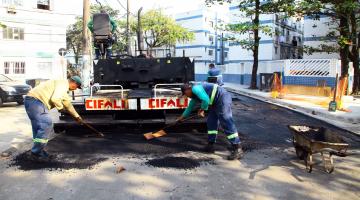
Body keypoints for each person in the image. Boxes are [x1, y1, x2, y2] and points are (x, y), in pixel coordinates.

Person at [177, 83, 243, 160]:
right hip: (214, 103)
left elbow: (205, 99)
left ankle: (237, 147)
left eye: (185, 93)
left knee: (225, 120)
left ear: (188, 90)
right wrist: (181, 118)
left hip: (222, 97)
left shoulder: (195, 89)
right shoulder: (194, 97)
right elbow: (189, 108)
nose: (186, 96)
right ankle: (210, 145)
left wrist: (202, 110)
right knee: (211, 122)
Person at [24, 76, 83, 161]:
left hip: (32, 101)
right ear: (73, 82)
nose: (76, 89)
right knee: (46, 124)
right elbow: (55, 99)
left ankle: (38, 151)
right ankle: (36, 153)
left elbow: (68, 105)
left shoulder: (63, 90)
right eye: (77, 86)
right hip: (36, 102)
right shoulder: (63, 83)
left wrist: (77, 117)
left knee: (38, 128)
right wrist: (60, 108)